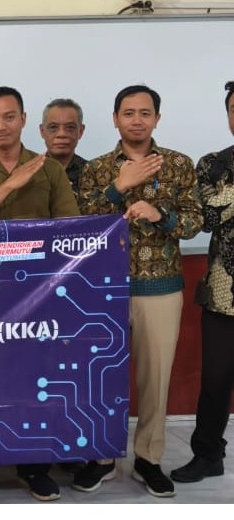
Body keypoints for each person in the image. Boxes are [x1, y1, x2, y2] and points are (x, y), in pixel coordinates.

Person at [0, 86, 78, 502]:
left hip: (37, 296)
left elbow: (68, 230)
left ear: (23, 120)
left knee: (34, 380)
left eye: (9, 117)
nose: (1, 126)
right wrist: (9, 186)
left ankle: (34, 466)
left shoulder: (49, 170)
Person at [76, 84, 201, 497]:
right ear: (115, 119)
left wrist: (159, 213)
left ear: (157, 119)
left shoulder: (178, 165)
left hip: (159, 288)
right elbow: (80, 221)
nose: (136, 120)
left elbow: (194, 222)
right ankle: (101, 458)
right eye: (128, 113)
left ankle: (148, 459)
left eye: (145, 113)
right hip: (101, 290)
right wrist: (118, 186)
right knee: (100, 377)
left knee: (155, 377)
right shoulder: (96, 168)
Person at [171, 81, 234, 484]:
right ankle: (208, 453)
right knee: (215, 380)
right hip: (224, 292)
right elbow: (206, 218)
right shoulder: (212, 164)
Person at [39, 98, 87, 198]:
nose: (61, 134)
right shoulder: (29, 172)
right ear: (42, 131)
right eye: (53, 127)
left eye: (70, 127)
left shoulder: (92, 172)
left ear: (81, 131)